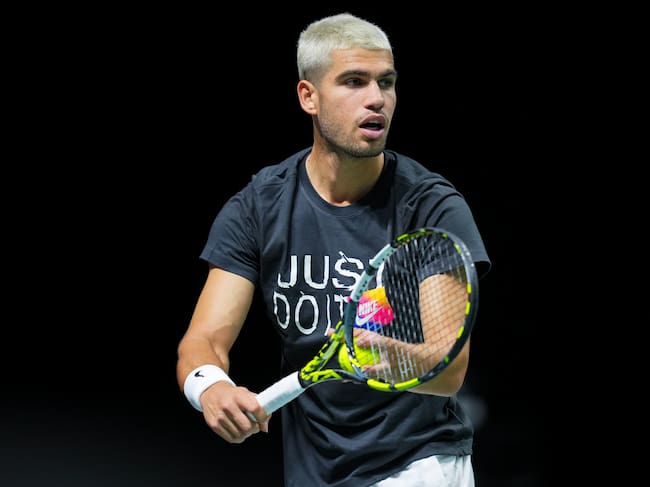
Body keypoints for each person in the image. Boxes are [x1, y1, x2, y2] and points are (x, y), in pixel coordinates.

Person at [176, 12, 491, 487]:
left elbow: (449, 369)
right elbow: (203, 341)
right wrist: (211, 387)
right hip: (314, 469)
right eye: (354, 81)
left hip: (417, 464)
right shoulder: (260, 205)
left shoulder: (431, 206)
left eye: (386, 82)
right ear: (309, 96)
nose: (376, 99)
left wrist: (379, 356)